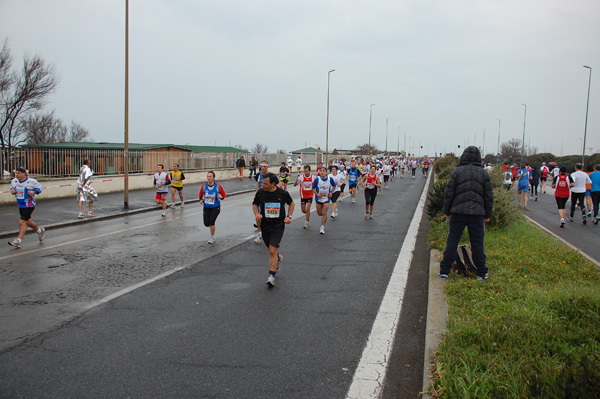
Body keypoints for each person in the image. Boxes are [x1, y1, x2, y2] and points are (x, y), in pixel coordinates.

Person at [439, 146, 493, 281]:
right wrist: (488, 214)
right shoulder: (484, 173)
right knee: (477, 243)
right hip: (477, 213)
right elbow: (489, 196)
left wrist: (447, 210)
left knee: (452, 240)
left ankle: (445, 269)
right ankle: (481, 271)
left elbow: (449, 193)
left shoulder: (457, 172)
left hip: (458, 211)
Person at [252, 172, 295, 287]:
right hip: (265, 225)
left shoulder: (282, 193)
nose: (262, 185)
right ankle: (277, 259)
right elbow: (255, 204)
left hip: (278, 225)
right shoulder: (260, 193)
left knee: (272, 250)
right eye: (262, 183)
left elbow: (291, 204)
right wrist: (257, 214)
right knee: (272, 251)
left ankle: (271, 276)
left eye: (265, 183)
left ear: (273, 184)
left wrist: (289, 216)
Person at [8, 167, 45, 248]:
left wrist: (34, 192)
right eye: (15, 173)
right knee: (28, 222)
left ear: (24, 173)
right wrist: (12, 191)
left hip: (29, 204)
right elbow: (12, 189)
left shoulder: (31, 181)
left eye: (18, 173)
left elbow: (40, 188)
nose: (16, 175)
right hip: (20, 204)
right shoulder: (14, 181)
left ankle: (18, 241)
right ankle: (40, 231)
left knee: (22, 222)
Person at [199, 171, 226, 244]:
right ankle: (211, 230)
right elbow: (201, 194)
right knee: (206, 223)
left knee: (211, 222)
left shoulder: (218, 186)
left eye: (210, 176)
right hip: (206, 207)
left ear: (213, 178)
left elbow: (224, 195)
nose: (208, 178)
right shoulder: (204, 186)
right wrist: (201, 200)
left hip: (215, 207)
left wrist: (221, 197)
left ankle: (211, 237)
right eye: (207, 176)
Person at [312, 166, 336, 234]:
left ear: (326, 172)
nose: (322, 172)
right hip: (319, 199)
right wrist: (317, 194)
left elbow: (334, 186)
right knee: (319, 213)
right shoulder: (317, 179)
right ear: (319, 172)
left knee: (325, 212)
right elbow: (313, 188)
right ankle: (324, 215)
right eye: (321, 171)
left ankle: (322, 227)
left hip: (326, 198)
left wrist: (331, 192)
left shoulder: (330, 179)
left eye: (323, 171)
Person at [294, 165, 316, 229]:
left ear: (309, 171)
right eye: (304, 171)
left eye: (306, 171)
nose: (305, 172)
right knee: (303, 210)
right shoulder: (301, 177)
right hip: (303, 195)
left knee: (308, 208)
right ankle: (308, 214)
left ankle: (306, 222)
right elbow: (295, 185)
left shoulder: (313, 177)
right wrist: (296, 180)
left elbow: (316, 185)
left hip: (310, 195)